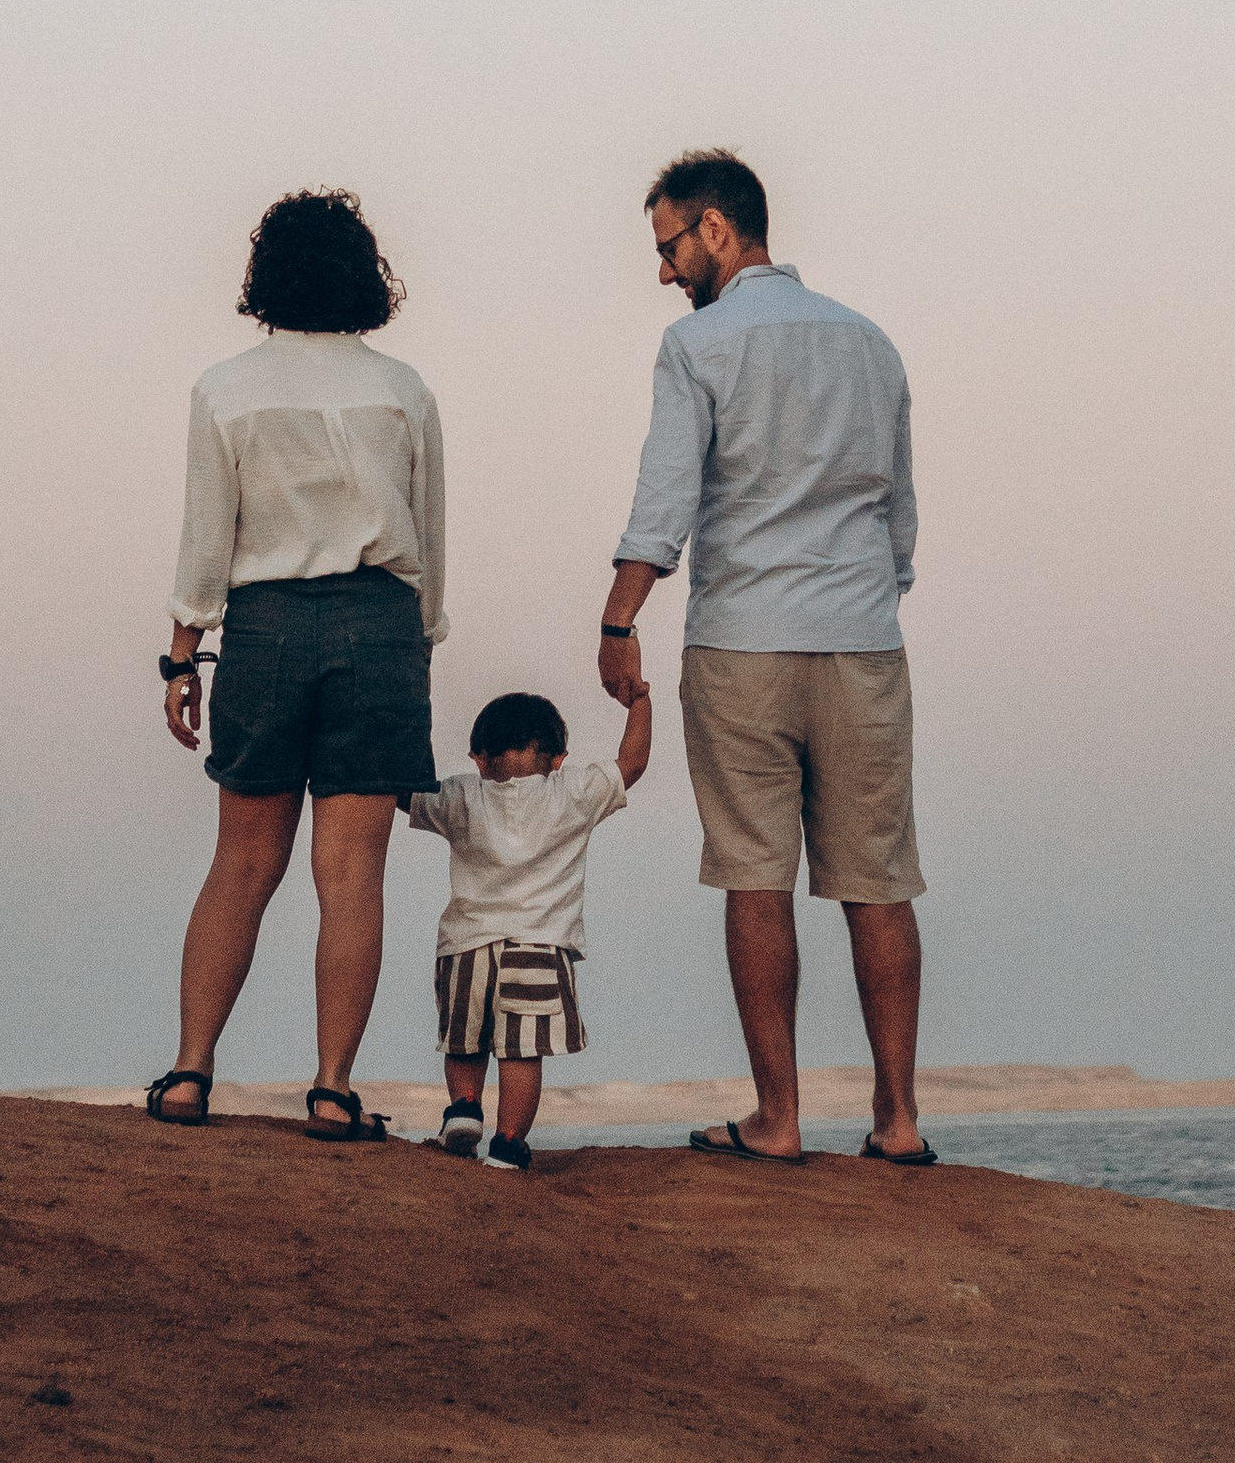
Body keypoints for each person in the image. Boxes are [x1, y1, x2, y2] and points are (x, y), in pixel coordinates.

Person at [597, 150, 932, 1169]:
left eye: (667, 247)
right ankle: (900, 1119)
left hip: (742, 639)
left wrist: (618, 623)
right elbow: (900, 513)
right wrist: (874, 591)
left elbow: (667, 500)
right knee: (879, 882)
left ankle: (778, 1120)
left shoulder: (696, 344)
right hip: (862, 638)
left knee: (755, 877)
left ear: (713, 229)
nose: (661, 273)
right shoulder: (869, 342)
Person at [146, 189, 445, 1141]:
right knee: (351, 870)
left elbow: (207, 536)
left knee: (241, 862)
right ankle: (330, 1088)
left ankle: (191, 1073)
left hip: (265, 624)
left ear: (264, 275)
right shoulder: (403, 390)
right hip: (381, 620)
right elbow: (429, 535)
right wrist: (417, 641)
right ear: (366, 273)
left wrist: (182, 652)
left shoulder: (225, 389)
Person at [401, 683, 653, 1171]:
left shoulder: (458, 794)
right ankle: (509, 1141)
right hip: (540, 946)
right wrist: (639, 702)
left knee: (464, 1040)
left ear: (478, 758)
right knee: (520, 1052)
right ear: (558, 757)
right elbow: (633, 764)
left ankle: (465, 1108)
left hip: (465, 946)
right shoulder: (574, 791)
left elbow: (399, 791)